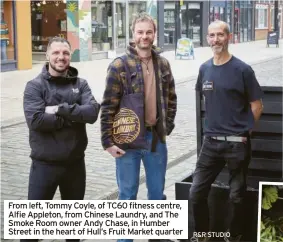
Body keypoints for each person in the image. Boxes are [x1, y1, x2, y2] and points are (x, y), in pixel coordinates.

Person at [100, 12, 177, 242]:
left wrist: (167, 126)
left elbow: (171, 98)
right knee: (127, 196)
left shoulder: (162, 63)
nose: (145, 36)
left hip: (155, 140)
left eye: (149, 32)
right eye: (140, 32)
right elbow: (108, 107)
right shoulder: (119, 66)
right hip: (127, 142)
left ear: (154, 34)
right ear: (133, 35)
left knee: (157, 195)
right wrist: (107, 142)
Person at [190, 20, 264, 242]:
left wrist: (246, 131)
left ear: (229, 37)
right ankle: (202, 234)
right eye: (211, 35)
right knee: (196, 193)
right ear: (207, 38)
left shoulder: (242, 70)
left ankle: (234, 236)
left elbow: (257, 105)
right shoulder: (204, 69)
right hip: (210, 143)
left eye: (220, 35)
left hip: (236, 144)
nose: (215, 40)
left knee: (236, 196)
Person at [22, 37, 100, 242]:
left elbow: (92, 113)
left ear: (70, 56)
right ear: (48, 55)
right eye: (56, 53)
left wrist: (61, 110)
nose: (61, 57)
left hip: (75, 165)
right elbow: (36, 121)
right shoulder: (34, 86)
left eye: (65, 53)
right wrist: (74, 117)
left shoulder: (81, 84)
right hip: (44, 166)